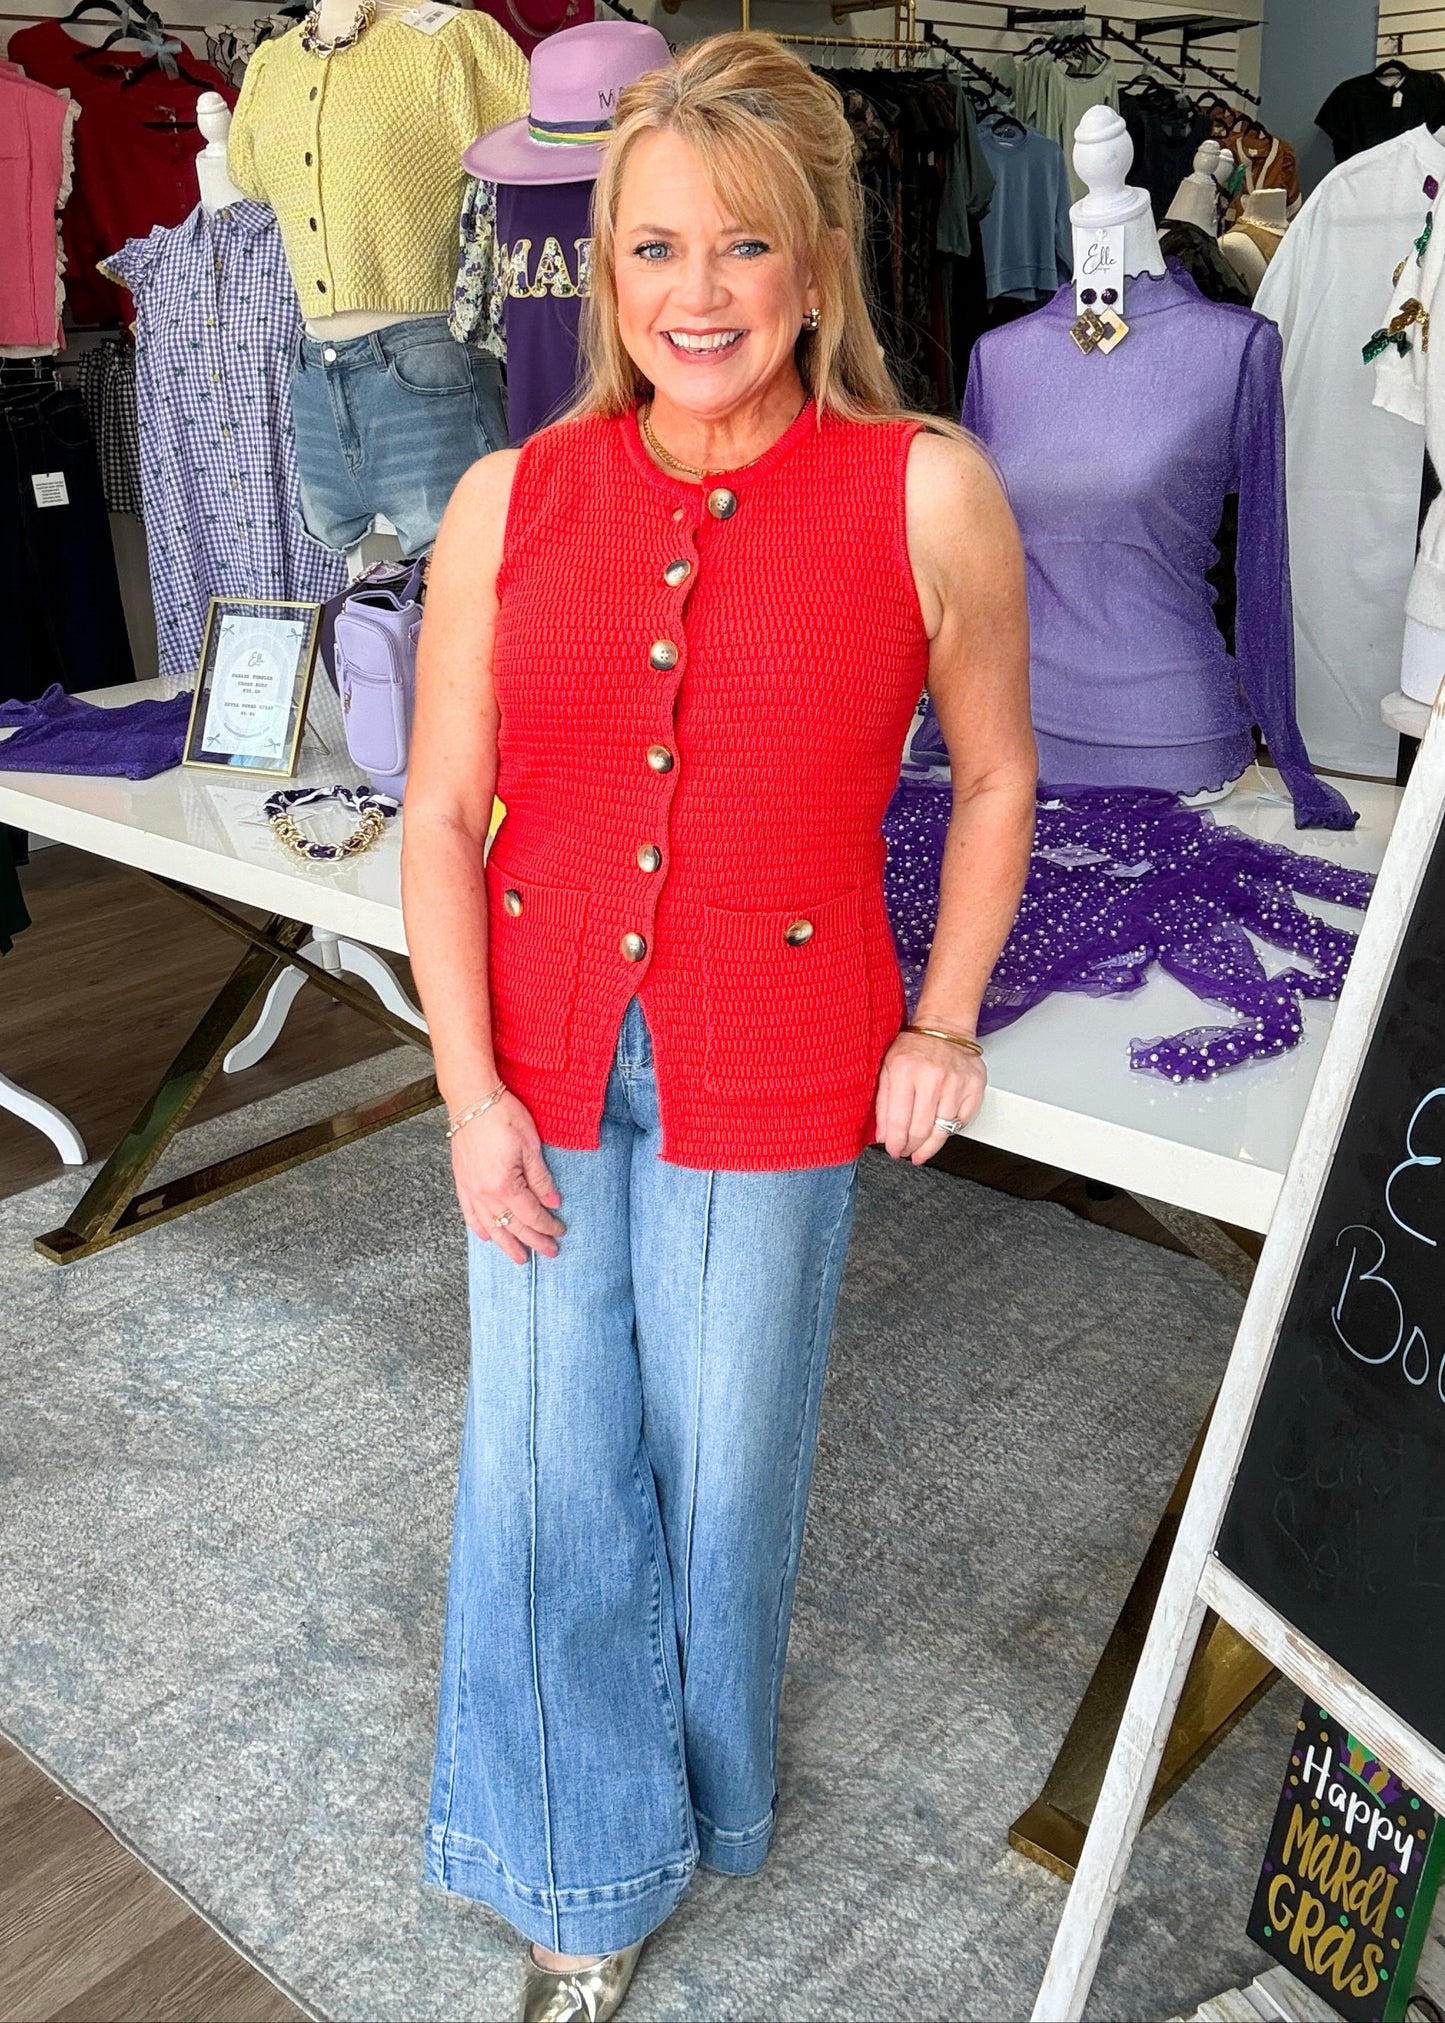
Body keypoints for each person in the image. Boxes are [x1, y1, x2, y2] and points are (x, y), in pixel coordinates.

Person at [401, 32, 1035, 2022]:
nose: (697, 293)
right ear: (602, 274)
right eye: (654, 247)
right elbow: (437, 811)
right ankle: (579, 1874)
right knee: (545, 1463)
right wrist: (467, 1093)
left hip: (781, 1049)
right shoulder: (508, 498)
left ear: (819, 266)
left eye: (743, 247)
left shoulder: (926, 490)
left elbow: (998, 779)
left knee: (723, 1466)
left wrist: (947, 1019)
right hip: (541, 1044)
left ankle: (710, 1799)